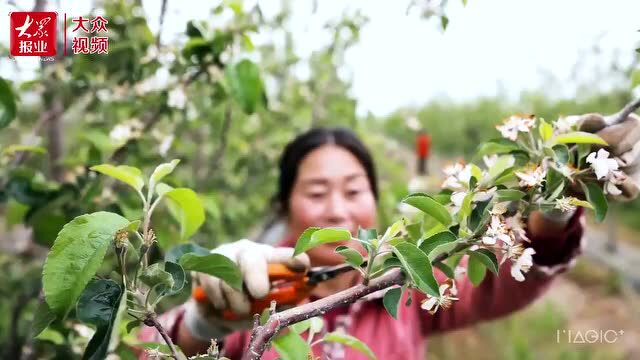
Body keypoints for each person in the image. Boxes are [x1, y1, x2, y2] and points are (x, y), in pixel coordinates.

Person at [139, 114, 640, 359]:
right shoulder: (259, 290)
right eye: (316, 192)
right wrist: (199, 324)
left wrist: (550, 207)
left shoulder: (404, 285)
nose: (338, 208)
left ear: (376, 200)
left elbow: (499, 285)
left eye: (354, 189)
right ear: (285, 206)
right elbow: (143, 347)